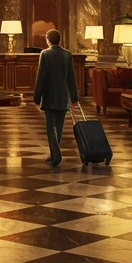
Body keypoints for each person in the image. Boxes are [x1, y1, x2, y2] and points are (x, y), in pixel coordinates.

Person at [33, 28, 81, 169]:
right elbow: (71, 78)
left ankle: (56, 155)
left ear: (48, 40)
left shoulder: (45, 54)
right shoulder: (67, 55)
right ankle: (55, 154)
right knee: (59, 127)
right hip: (63, 96)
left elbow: (41, 77)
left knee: (50, 128)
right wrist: (74, 98)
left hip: (49, 96)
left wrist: (36, 97)